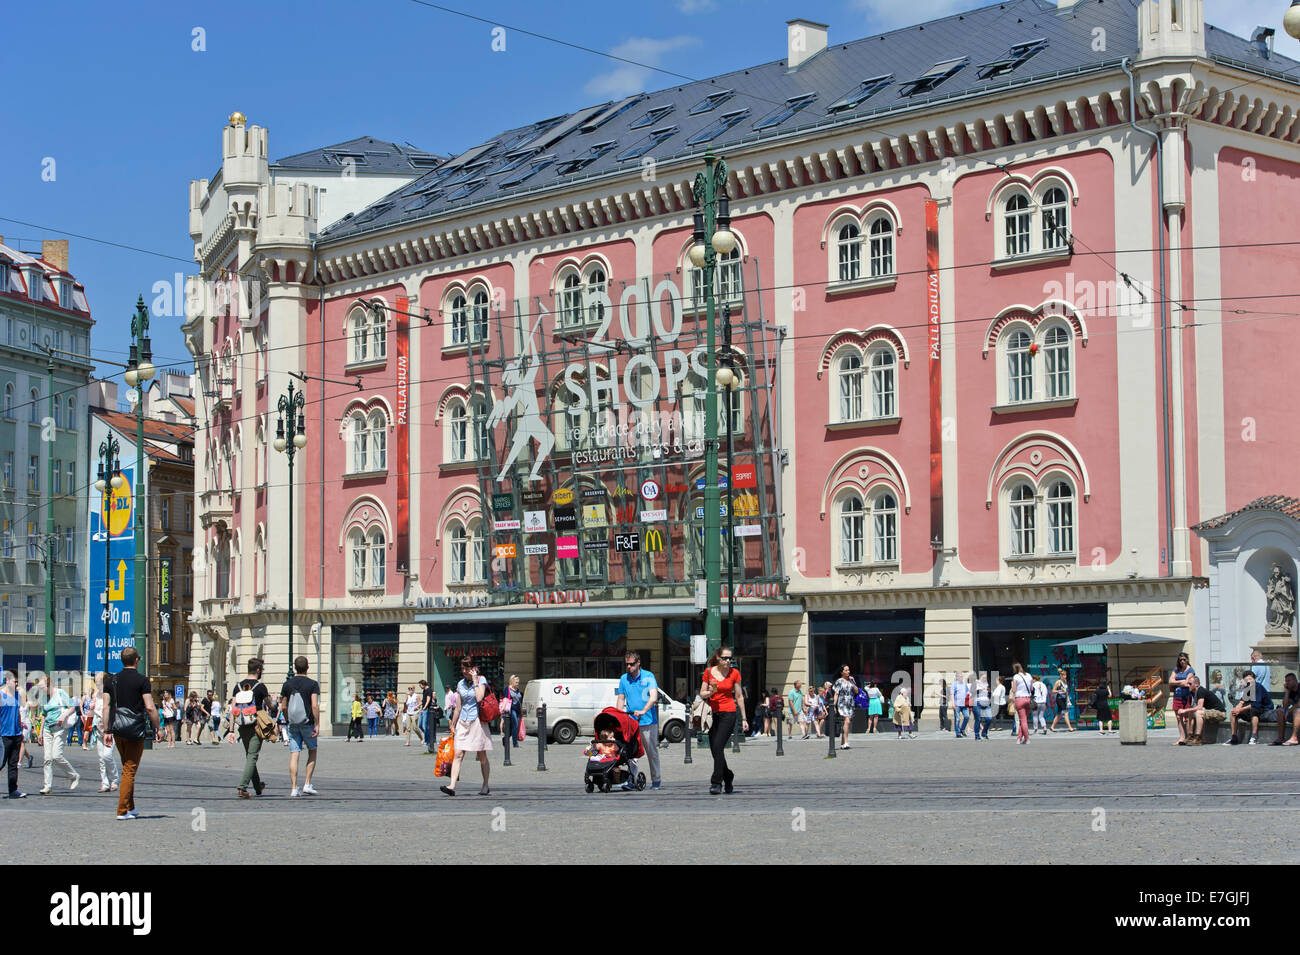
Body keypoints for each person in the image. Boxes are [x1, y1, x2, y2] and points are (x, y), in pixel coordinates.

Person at [101, 647, 163, 819]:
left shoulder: (111, 681)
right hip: (135, 729)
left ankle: (131, 806)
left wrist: (106, 730)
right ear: (136, 660)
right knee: (130, 769)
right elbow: (150, 707)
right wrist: (158, 727)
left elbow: (105, 707)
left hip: (118, 729)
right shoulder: (142, 681)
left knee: (127, 766)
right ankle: (122, 810)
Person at [440, 657, 491, 796]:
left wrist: (475, 680)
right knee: (458, 754)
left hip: (477, 722)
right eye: (462, 668)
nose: (464, 671)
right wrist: (453, 724)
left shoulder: (481, 680)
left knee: (481, 756)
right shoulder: (460, 684)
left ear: (474, 668)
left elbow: (479, 697)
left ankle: (485, 785)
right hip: (463, 721)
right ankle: (451, 786)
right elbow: (458, 707)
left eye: (467, 668)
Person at [699, 648, 747, 794]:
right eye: (725, 658)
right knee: (715, 749)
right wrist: (711, 692)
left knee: (718, 746)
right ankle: (728, 775)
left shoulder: (734, 673)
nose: (728, 661)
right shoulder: (708, 672)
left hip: (729, 713)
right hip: (712, 714)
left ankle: (716, 782)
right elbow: (702, 693)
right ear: (718, 658)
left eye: (730, 658)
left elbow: (739, 696)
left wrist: (744, 718)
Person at [617, 651, 662, 791]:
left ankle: (656, 780)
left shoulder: (649, 676)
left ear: (638, 663)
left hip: (648, 721)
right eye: (627, 664)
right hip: (631, 722)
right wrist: (619, 715)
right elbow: (621, 698)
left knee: (651, 751)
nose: (629, 667)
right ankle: (633, 779)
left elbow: (653, 697)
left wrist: (643, 710)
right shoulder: (624, 679)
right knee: (630, 753)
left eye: (631, 664)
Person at [228, 658, 270, 799]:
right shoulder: (260, 686)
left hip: (242, 725)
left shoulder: (238, 686)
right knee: (252, 756)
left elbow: (233, 710)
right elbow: (270, 705)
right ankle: (242, 787)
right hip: (256, 724)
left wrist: (231, 730)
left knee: (250, 756)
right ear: (258, 670)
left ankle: (258, 787)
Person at [281, 655, 321, 797]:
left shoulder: (287, 684)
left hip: (293, 724)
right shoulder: (312, 684)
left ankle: (293, 787)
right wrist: (317, 723)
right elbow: (314, 705)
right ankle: (307, 784)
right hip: (308, 723)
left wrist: (287, 720)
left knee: (294, 753)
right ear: (307, 667)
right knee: (312, 750)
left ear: (294, 667)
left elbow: (283, 706)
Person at [39, 677, 81, 794]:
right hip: (48, 729)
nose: (42, 690)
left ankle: (74, 776)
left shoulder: (60, 693)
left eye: (43, 688)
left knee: (56, 756)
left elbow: (72, 707)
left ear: (49, 685)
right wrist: (41, 732)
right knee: (47, 758)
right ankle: (47, 786)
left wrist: (64, 715)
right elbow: (43, 715)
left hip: (60, 728)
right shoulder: (44, 698)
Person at [1224, 669, 1273, 745]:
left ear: (1254, 679)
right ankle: (1234, 736)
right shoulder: (1247, 688)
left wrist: (1240, 710)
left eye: (1250, 679)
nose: (1248, 681)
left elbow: (1256, 704)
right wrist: (1236, 709)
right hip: (1254, 708)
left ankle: (1254, 736)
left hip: (1265, 709)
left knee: (1254, 710)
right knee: (1233, 713)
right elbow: (1242, 701)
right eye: (1246, 679)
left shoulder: (1258, 687)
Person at [89, 682, 120, 793]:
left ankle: (115, 780)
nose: (98, 686)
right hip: (98, 729)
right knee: (101, 758)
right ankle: (105, 783)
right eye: (96, 684)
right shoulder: (96, 696)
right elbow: (91, 713)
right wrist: (87, 729)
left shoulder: (111, 695)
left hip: (110, 730)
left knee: (107, 756)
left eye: (100, 683)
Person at [1177, 675, 1224, 745]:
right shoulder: (1194, 692)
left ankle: (1198, 737)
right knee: (1191, 712)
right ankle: (1190, 736)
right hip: (1211, 711)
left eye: (1190, 684)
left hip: (1219, 713)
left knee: (1199, 713)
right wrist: (1186, 711)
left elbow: (1199, 707)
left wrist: (1185, 710)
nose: (1187, 685)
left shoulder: (1200, 691)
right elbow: (1193, 708)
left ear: (1196, 684)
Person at [1, 671, 26, 799]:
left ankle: (13, 790)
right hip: (3, 735)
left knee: (13, 764)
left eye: (17, 682)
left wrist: (20, 729)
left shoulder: (17, 695)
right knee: (1, 763)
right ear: (7, 680)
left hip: (15, 734)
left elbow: (18, 713)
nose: (16, 684)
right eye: (14, 681)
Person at [1169, 651, 1196, 744]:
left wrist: (1177, 681)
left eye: (1184, 659)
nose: (1182, 661)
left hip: (1187, 696)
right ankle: (1181, 737)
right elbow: (1170, 681)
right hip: (1177, 696)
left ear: (1187, 660)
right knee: (1178, 717)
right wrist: (1181, 682)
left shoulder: (1190, 670)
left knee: (1187, 717)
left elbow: (1187, 682)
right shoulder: (1176, 669)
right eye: (1180, 660)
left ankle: (1189, 736)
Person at [832, 666, 859, 750]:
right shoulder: (839, 681)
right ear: (842, 672)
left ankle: (842, 743)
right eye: (846, 670)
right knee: (847, 721)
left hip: (850, 704)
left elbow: (856, 691)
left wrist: (852, 682)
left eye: (848, 670)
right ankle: (846, 742)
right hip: (842, 704)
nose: (848, 672)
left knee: (846, 723)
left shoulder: (850, 681)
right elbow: (836, 694)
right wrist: (833, 705)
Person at [1270, 673, 1300, 746]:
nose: (1287, 683)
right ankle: (1281, 738)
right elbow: (1285, 705)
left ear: (1295, 680)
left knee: (1298, 711)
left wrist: (1289, 711)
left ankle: (1294, 738)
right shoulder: (1291, 691)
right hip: (1296, 715)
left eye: (1288, 681)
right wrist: (1287, 692)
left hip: (1298, 713)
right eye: (1286, 681)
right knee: (1280, 711)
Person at [1011, 663, 1034, 744]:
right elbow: (1031, 688)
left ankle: (1027, 739)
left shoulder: (1016, 677)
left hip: (1019, 699)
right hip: (1028, 699)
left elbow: (1014, 689)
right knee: (1023, 720)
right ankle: (1019, 739)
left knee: (1023, 720)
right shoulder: (1029, 675)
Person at [501, 674, 522, 749]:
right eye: (516, 682)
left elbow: (519, 701)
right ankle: (515, 743)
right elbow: (506, 698)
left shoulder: (517, 690)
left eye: (518, 682)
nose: (517, 683)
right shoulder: (508, 689)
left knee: (512, 727)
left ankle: (505, 738)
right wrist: (503, 708)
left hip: (517, 710)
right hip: (511, 709)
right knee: (515, 725)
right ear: (512, 681)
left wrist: (521, 711)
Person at [971, 673, 992, 741]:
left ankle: (984, 732)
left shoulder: (987, 684)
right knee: (978, 719)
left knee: (989, 718)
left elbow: (988, 693)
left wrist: (989, 692)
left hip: (986, 703)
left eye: (985, 677)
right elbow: (972, 692)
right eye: (983, 677)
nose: (984, 679)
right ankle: (977, 736)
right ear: (980, 677)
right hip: (977, 702)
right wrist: (979, 689)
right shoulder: (976, 683)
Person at [951, 673, 971, 738]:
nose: (961, 678)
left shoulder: (964, 684)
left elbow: (968, 692)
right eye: (960, 676)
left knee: (967, 717)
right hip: (957, 705)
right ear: (957, 677)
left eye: (962, 676)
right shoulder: (954, 684)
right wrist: (953, 703)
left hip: (964, 704)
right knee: (957, 719)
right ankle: (958, 733)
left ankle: (962, 729)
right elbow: (952, 694)